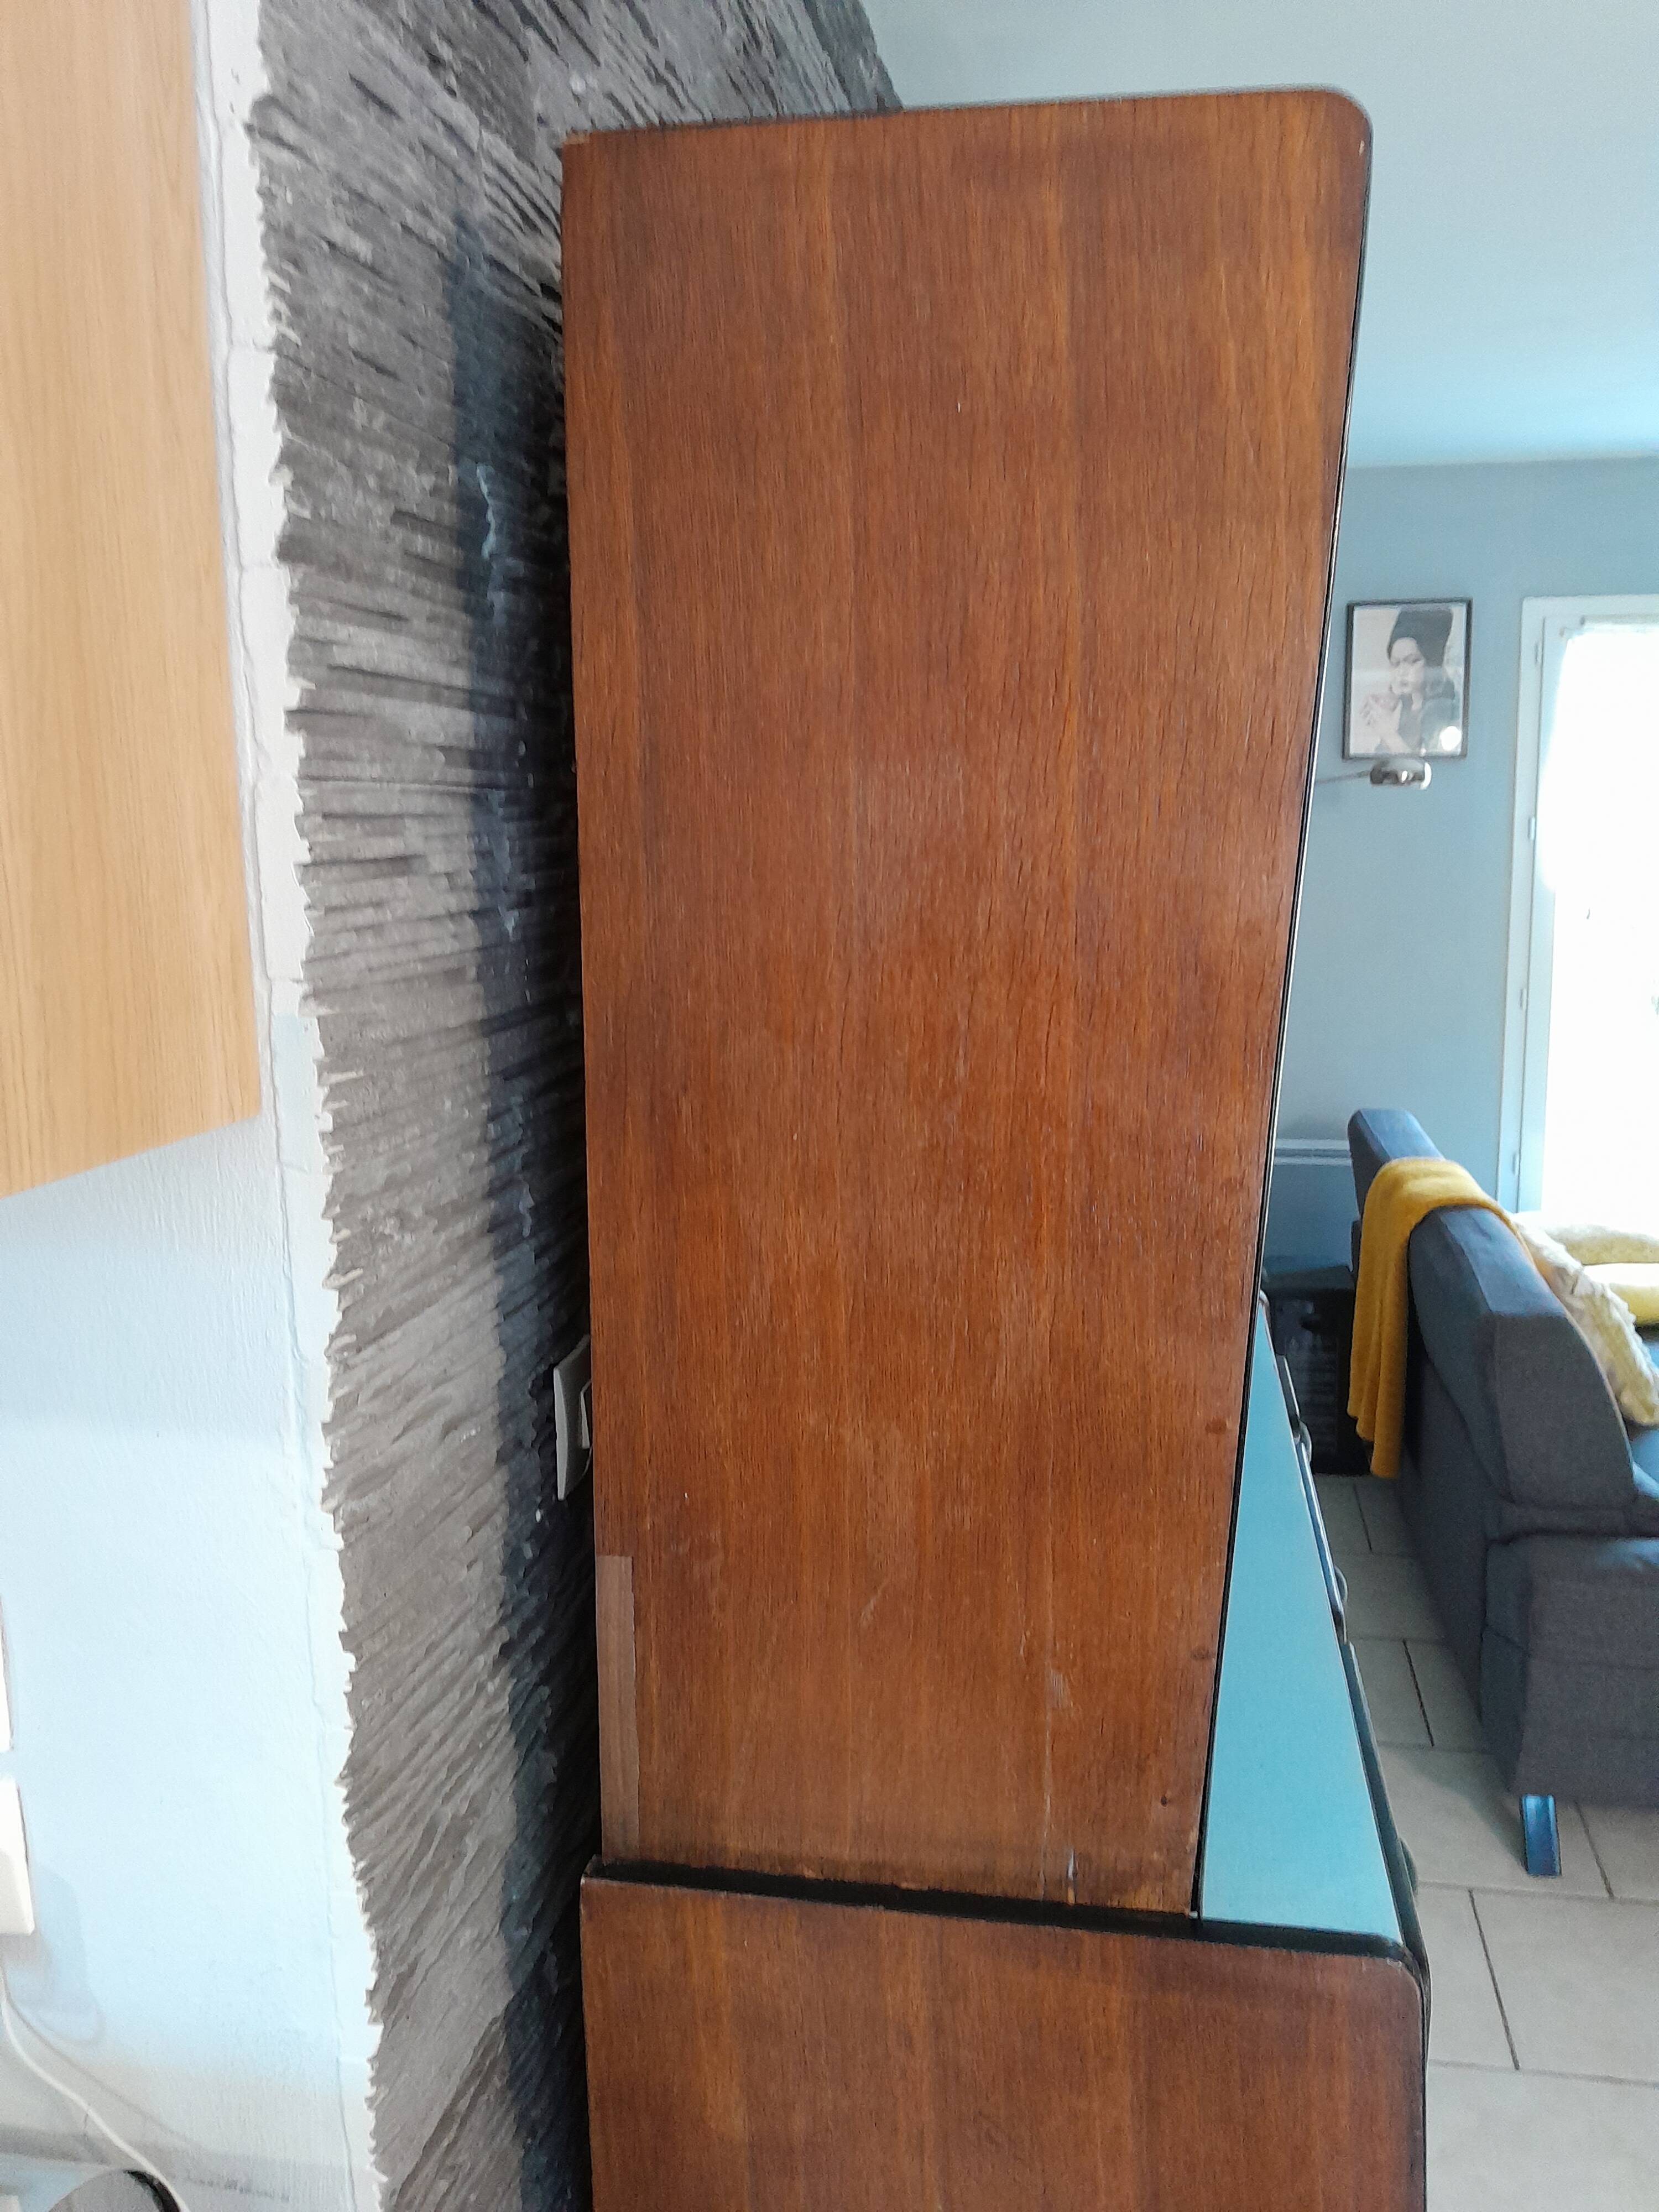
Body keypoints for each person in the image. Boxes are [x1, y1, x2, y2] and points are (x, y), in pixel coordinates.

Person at [1356, 604, 1463, 753]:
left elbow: (1425, 768)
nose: (1402, 672)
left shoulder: (1443, 706)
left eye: (1413, 661)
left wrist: (1388, 734)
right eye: (1396, 663)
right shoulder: (1407, 705)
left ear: (1432, 662)